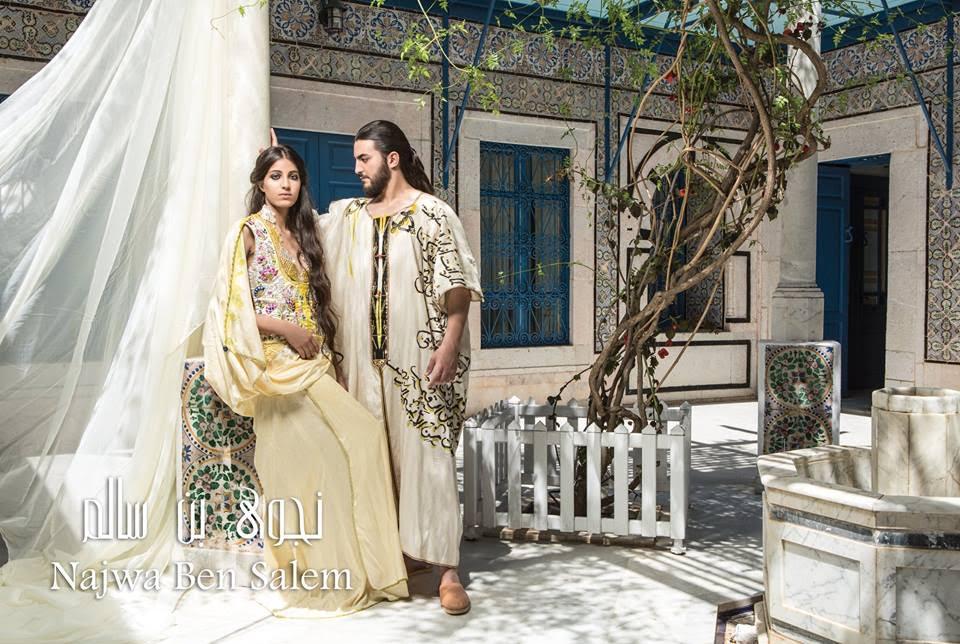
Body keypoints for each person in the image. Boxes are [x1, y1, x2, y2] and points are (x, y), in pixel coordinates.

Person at [202, 143, 408, 616]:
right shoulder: (247, 233)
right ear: (260, 183)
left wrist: (332, 359)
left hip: (314, 366)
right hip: (276, 371)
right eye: (276, 176)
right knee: (316, 468)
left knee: (365, 436)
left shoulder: (305, 233)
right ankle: (323, 575)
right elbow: (229, 310)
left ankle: (373, 568)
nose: (286, 184)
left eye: (293, 176)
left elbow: (317, 300)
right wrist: (287, 330)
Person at [317, 120, 483, 615]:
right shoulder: (350, 217)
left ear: (392, 159)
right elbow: (302, 231)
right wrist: (277, 163)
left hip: (421, 359)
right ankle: (399, 553)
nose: (356, 169)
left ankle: (446, 569)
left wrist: (449, 346)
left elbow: (456, 287)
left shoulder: (431, 213)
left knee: (428, 458)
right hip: (363, 363)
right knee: (376, 458)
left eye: (363, 159)